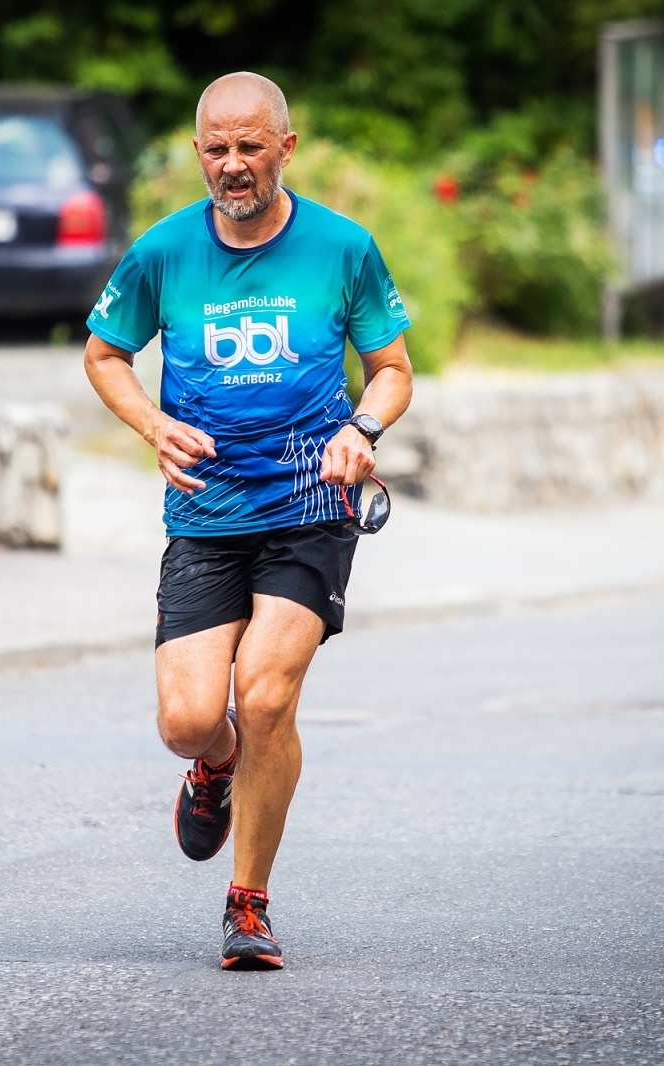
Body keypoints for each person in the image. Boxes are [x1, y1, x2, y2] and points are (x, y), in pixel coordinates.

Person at [82, 71, 414, 970]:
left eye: (250, 147)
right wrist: (152, 424)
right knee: (190, 719)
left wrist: (362, 429)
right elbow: (105, 353)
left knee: (266, 694)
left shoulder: (343, 248)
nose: (233, 166)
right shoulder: (160, 252)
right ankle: (211, 766)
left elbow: (393, 369)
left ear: (286, 148)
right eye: (217, 150)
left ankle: (249, 904)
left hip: (311, 503)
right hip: (206, 508)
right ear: (198, 154)